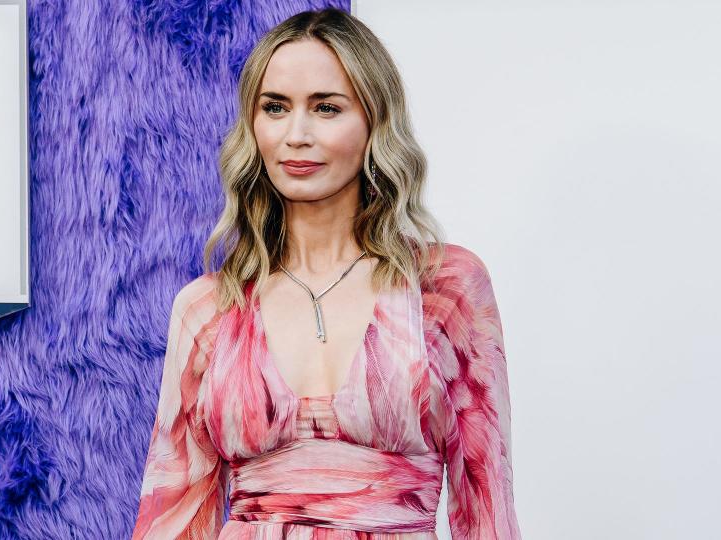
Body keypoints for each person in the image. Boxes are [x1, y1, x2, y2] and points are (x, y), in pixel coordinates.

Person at [131, 7, 520, 539]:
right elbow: (172, 514)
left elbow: (487, 504)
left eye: (326, 108)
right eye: (275, 107)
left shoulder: (446, 288)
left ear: (374, 122)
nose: (296, 134)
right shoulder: (208, 307)